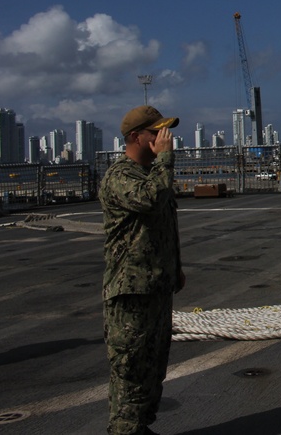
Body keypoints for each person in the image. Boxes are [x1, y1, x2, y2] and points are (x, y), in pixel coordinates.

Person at [101, 105, 184, 435]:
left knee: (154, 366)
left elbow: (165, 225)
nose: (165, 138)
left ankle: (140, 427)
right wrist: (165, 160)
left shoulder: (151, 176)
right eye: (156, 132)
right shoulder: (121, 177)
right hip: (130, 292)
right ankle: (125, 430)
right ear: (136, 137)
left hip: (156, 286)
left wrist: (175, 269)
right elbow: (150, 200)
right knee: (132, 368)